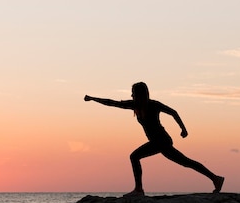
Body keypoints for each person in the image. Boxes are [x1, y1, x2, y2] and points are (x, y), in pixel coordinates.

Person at [84, 81, 225, 196]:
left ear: (139, 94)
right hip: (158, 142)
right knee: (185, 162)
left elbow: (173, 112)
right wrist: (93, 98)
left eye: (133, 92)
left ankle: (139, 189)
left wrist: (183, 129)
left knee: (134, 156)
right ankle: (215, 178)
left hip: (162, 140)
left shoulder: (153, 105)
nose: (131, 95)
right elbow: (112, 102)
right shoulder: (134, 105)